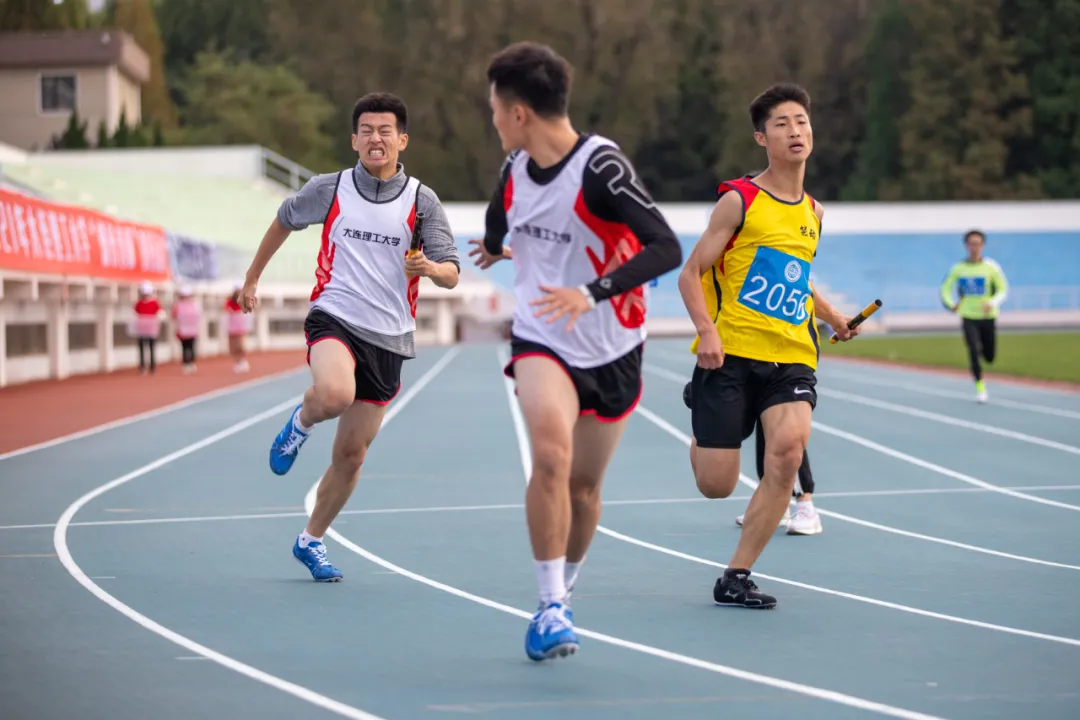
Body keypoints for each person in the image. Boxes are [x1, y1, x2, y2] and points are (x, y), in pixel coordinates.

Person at [469, 41, 683, 662]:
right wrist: (491, 248)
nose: (491, 120)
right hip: (542, 336)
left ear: (518, 114)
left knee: (585, 489)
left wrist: (592, 292)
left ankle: (566, 585)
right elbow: (495, 221)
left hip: (613, 342)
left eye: (493, 109)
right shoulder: (513, 171)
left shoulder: (601, 168)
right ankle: (549, 605)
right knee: (552, 459)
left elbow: (664, 248)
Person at [240, 92, 460, 582]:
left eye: (385, 130)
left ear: (402, 140)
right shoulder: (330, 188)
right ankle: (301, 421)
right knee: (335, 394)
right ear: (354, 139)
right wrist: (253, 278)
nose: (375, 138)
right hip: (334, 316)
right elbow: (284, 219)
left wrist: (430, 266)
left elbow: (451, 273)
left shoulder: (423, 201)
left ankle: (310, 541)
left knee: (351, 455)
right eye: (366, 130)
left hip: (389, 336)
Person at [677, 83, 856, 610]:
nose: (795, 130)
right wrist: (707, 332)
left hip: (792, 355)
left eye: (801, 121)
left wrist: (834, 317)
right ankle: (703, 419)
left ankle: (736, 574)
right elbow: (691, 275)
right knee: (716, 483)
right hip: (730, 352)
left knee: (786, 453)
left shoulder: (814, 213)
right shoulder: (741, 200)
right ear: (761, 136)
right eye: (781, 123)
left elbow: (797, 279)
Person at [683, 383, 822, 535]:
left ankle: (805, 505)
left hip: (782, 364)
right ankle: (774, 504)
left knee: (783, 429)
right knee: (764, 421)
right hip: (748, 363)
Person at [939, 230, 1008, 403]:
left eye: (977, 244)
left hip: (987, 316)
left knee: (989, 356)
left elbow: (1003, 289)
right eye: (971, 243)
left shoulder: (991, 267)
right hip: (968, 316)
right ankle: (980, 387)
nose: (974, 247)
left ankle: (986, 355)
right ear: (966, 245)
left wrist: (992, 303)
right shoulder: (958, 268)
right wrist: (951, 304)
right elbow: (945, 288)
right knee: (972, 350)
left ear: (982, 245)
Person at [132, 280, 162, 375]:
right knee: (142, 348)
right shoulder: (139, 303)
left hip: (151, 329)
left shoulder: (154, 303)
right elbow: (135, 313)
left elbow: (159, 313)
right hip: (142, 330)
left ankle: (152, 366)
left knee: (151, 347)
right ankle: (142, 366)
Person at [171, 286, 202, 374]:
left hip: (192, 331)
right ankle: (185, 364)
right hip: (182, 331)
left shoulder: (195, 304)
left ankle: (191, 363)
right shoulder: (178, 305)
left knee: (192, 347)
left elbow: (198, 316)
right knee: (184, 348)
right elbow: (173, 316)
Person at [224, 282, 252, 373]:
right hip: (232, 326)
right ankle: (237, 362)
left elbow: (248, 309)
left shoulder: (244, 299)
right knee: (233, 346)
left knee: (240, 344)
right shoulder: (230, 300)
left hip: (241, 326)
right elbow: (225, 309)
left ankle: (243, 361)